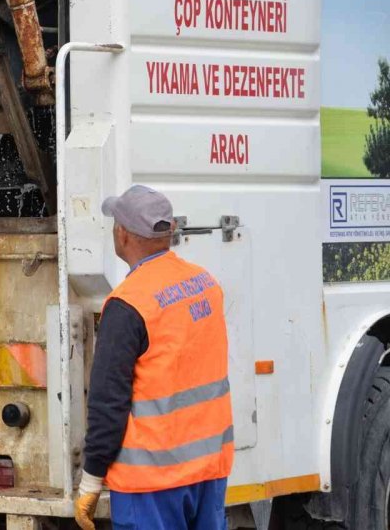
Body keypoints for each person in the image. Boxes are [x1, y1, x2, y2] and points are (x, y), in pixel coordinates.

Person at [74, 185, 233, 530]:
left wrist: (91, 480)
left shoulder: (128, 304)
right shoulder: (206, 284)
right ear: (169, 231)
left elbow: (108, 403)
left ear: (122, 234)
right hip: (207, 472)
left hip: (151, 485)